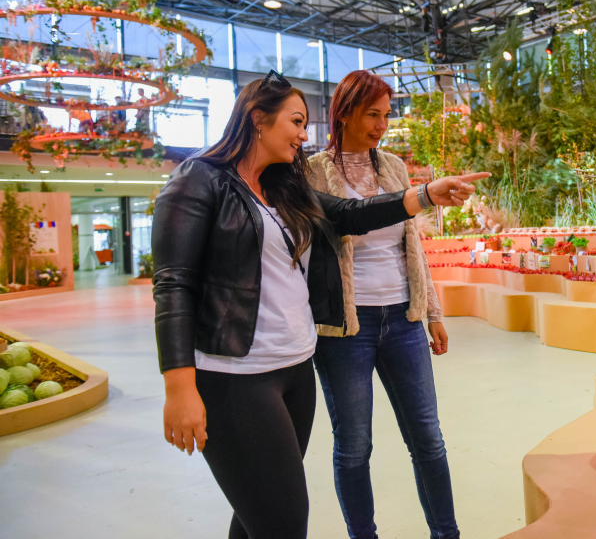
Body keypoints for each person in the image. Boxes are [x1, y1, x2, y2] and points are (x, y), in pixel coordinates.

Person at [152, 70, 486, 539]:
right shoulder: (200, 178)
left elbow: (350, 214)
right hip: (237, 374)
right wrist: (179, 386)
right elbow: (173, 284)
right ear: (257, 119)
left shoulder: (282, 185)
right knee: (286, 518)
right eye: (295, 122)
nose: (303, 134)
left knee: (254, 515)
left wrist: (425, 194)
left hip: (294, 366)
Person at [307, 70, 459, 539]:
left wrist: (432, 312)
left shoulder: (393, 166)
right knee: (354, 446)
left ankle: (447, 534)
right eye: (372, 114)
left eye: (386, 115)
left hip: (404, 318)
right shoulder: (311, 171)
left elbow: (412, 244)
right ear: (344, 113)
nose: (381, 125)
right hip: (344, 329)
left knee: (428, 439)